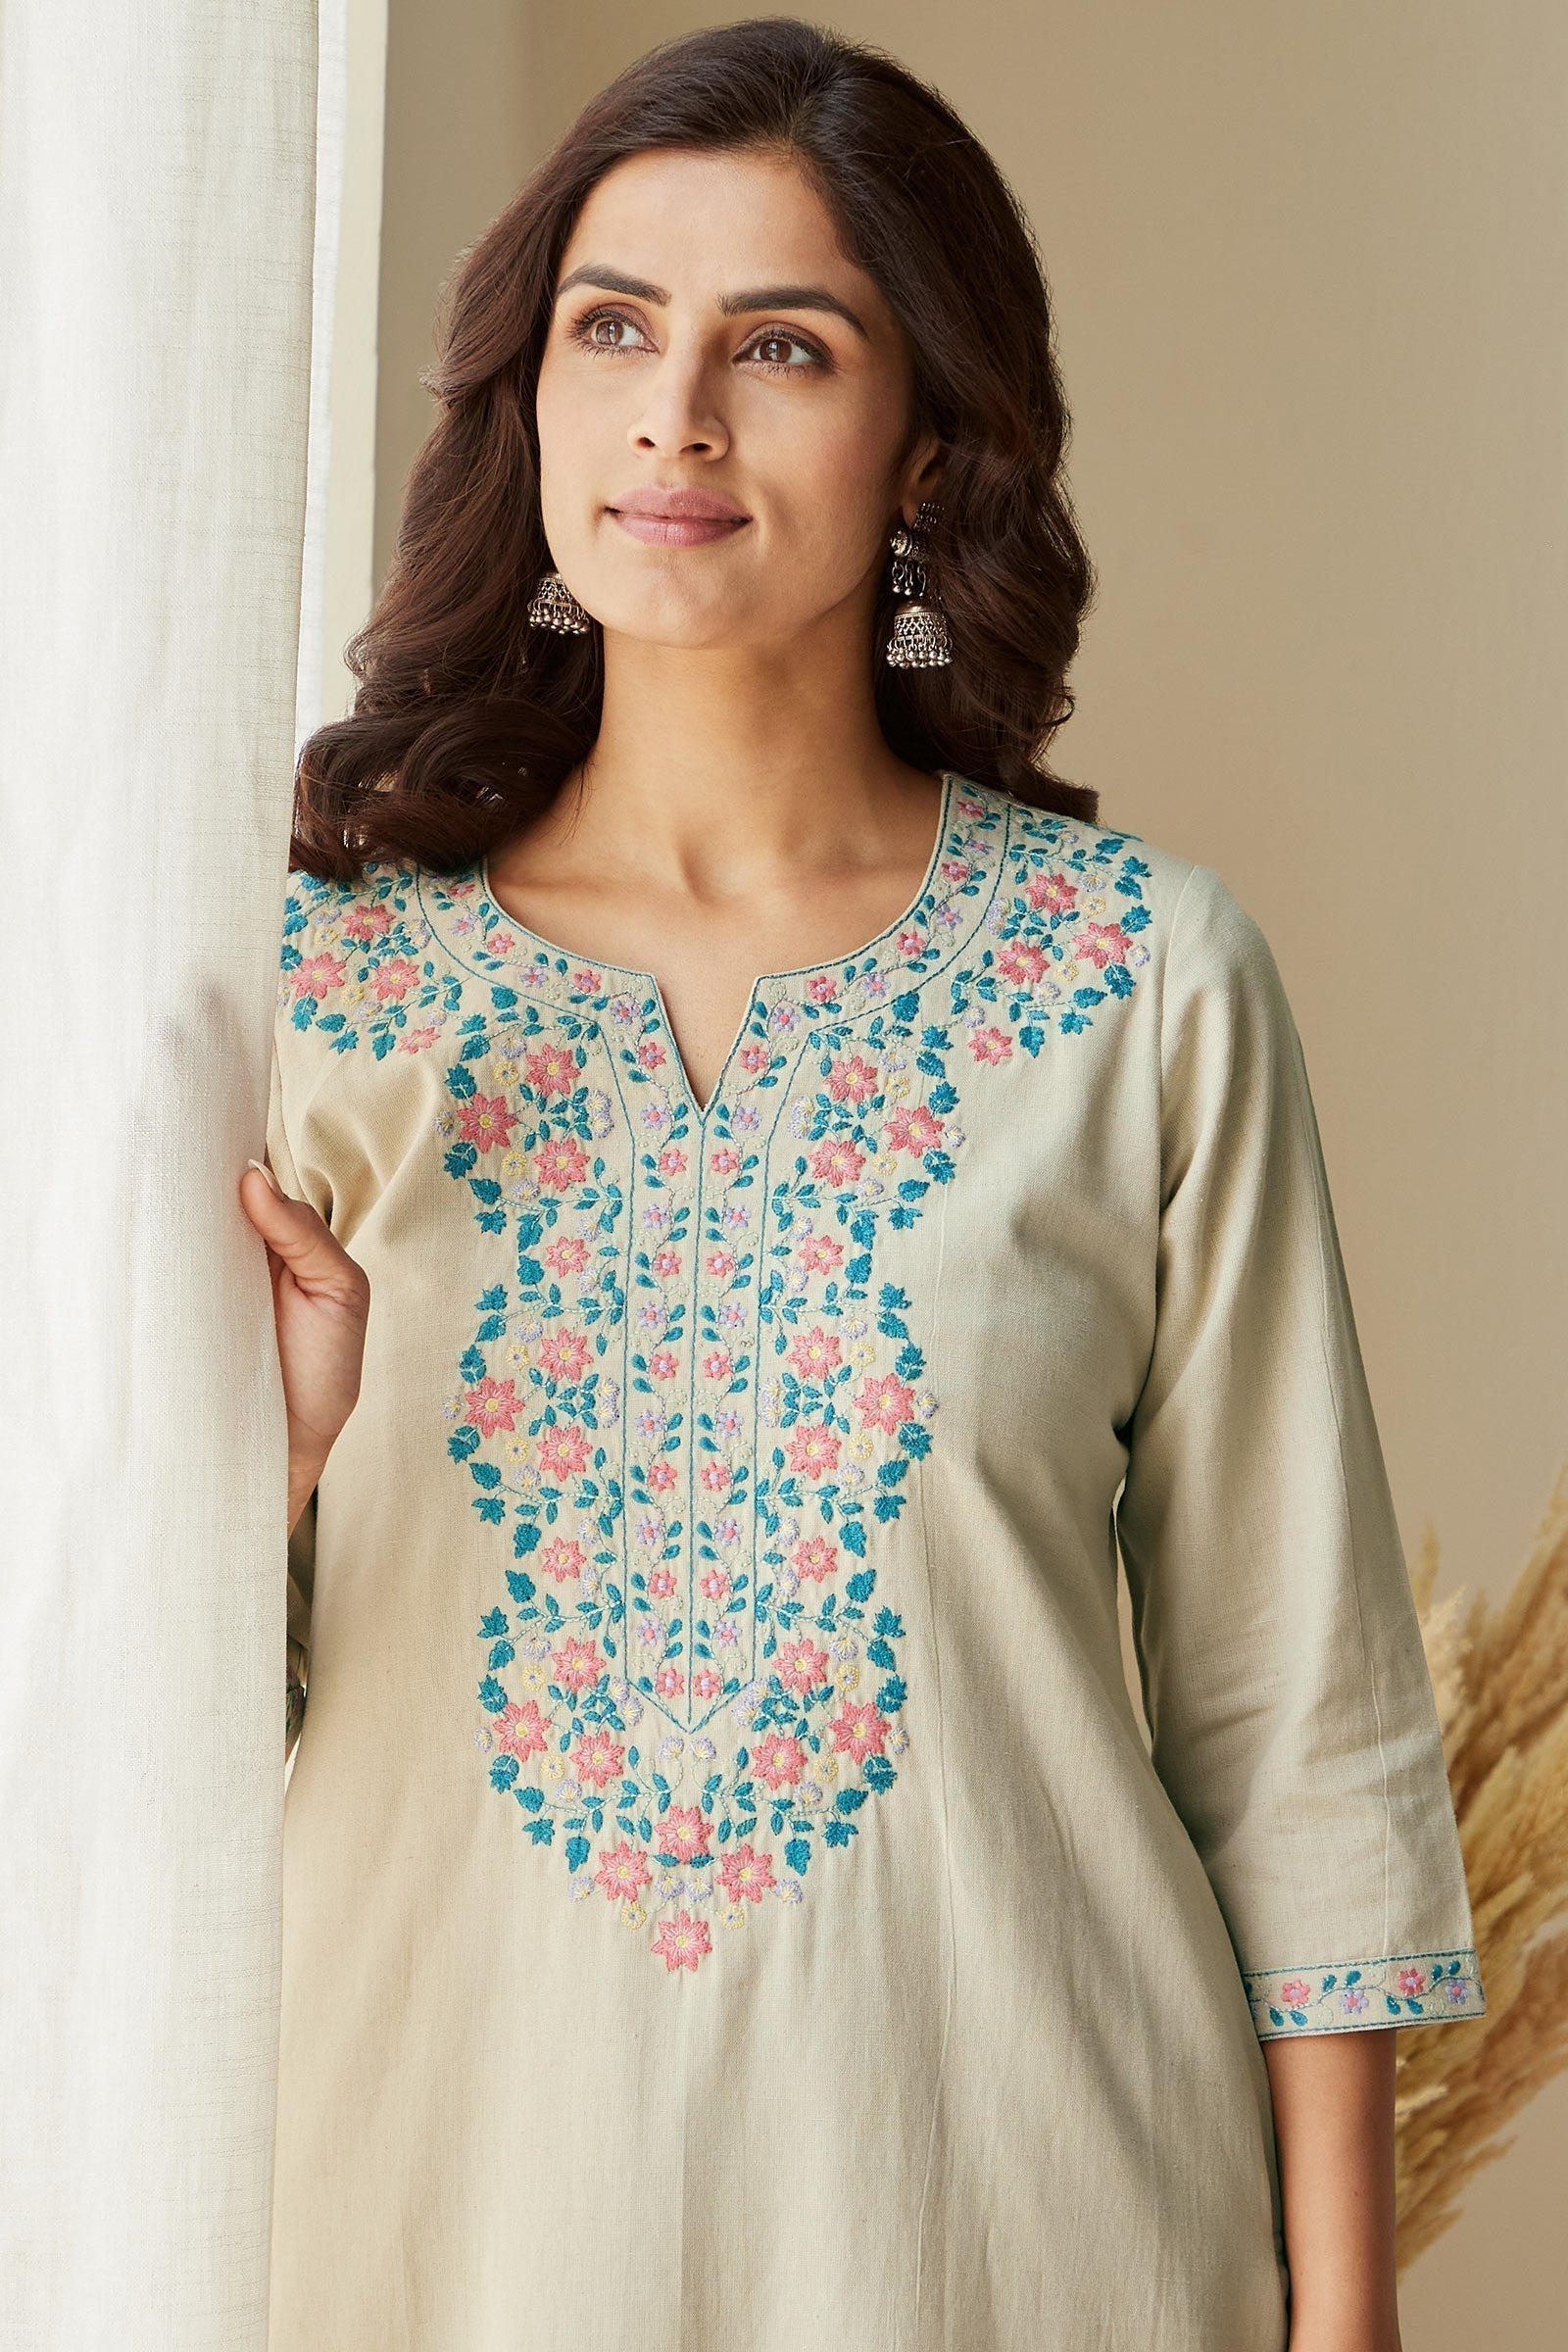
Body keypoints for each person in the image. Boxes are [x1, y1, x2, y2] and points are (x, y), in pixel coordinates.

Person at [239, 19, 1484, 2350]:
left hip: (1022, 2239)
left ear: (927, 441)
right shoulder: (313, 990)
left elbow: (1296, 1724)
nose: (674, 417)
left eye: (781, 347)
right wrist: (281, 1463)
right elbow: (119, 1743)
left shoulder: (1134, 987)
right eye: (613, 329)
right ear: (527, 395)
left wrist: (1343, 2328)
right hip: (429, 2235)